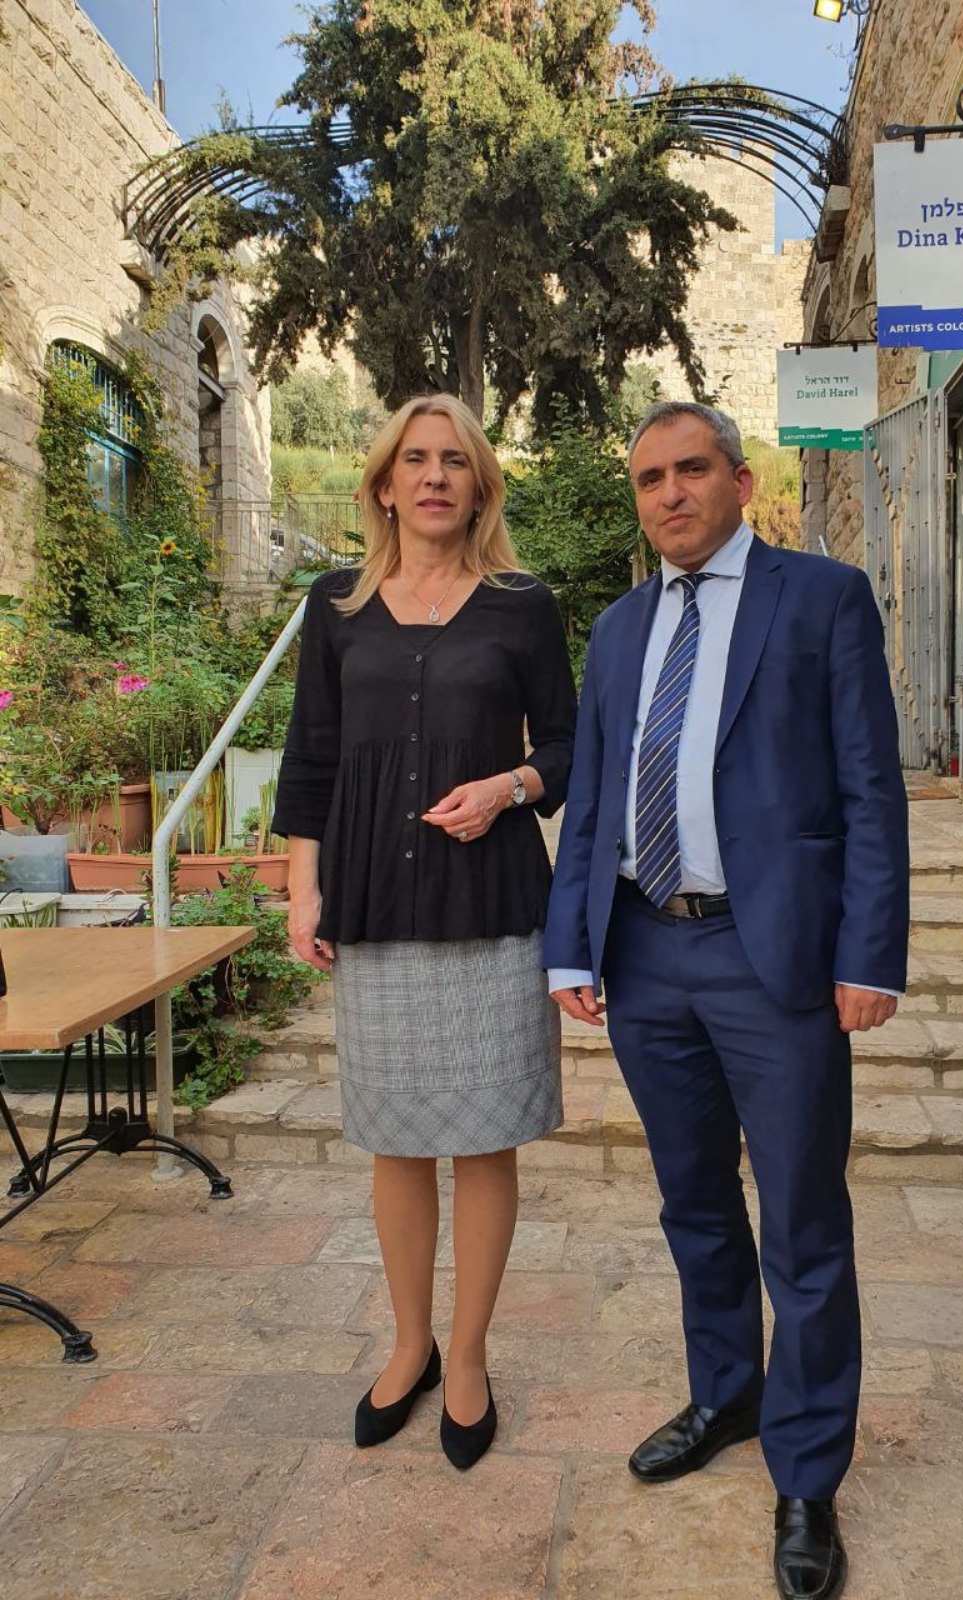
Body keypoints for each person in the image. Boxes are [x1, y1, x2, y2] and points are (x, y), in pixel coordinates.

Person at [544, 401, 908, 1599]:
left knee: (802, 1221)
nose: (670, 494)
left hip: (775, 959)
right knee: (693, 1201)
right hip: (647, 952)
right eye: (650, 477)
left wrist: (870, 955)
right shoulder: (618, 629)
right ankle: (726, 1394)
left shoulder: (823, 599)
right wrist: (571, 947)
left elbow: (871, 789)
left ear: (740, 482)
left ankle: (806, 1473)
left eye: (691, 469)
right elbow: (594, 796)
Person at [273, 393, 575, 1471]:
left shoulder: (522, 606)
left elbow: (569, 746)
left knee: (485, 1137)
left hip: (490, 903)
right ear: (385, 485)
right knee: (396, 1138)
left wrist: (508, 785)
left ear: (480, 486)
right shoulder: (336, 606)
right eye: (416, 459)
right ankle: (409, 1345)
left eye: (455, 460)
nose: (435, 475)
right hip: (376, 902)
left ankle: (471, 1355)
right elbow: (311, 754)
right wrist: (303, 889)